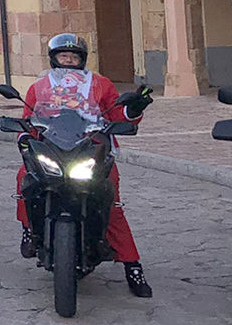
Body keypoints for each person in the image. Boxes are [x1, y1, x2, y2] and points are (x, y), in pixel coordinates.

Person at [15, 32, 153, 298]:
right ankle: (29, 229)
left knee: (111, 203)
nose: (68, 60)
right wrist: (23, 138)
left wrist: (135, 108)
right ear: (53, 58)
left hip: (91, 148)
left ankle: (132, 266)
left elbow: (116, 113)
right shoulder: (39, 87)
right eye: (63, 56)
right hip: (53, 146)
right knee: (25, 178)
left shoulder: (100, 84)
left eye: (73, 56)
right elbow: (28, 118)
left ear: (82, 59)